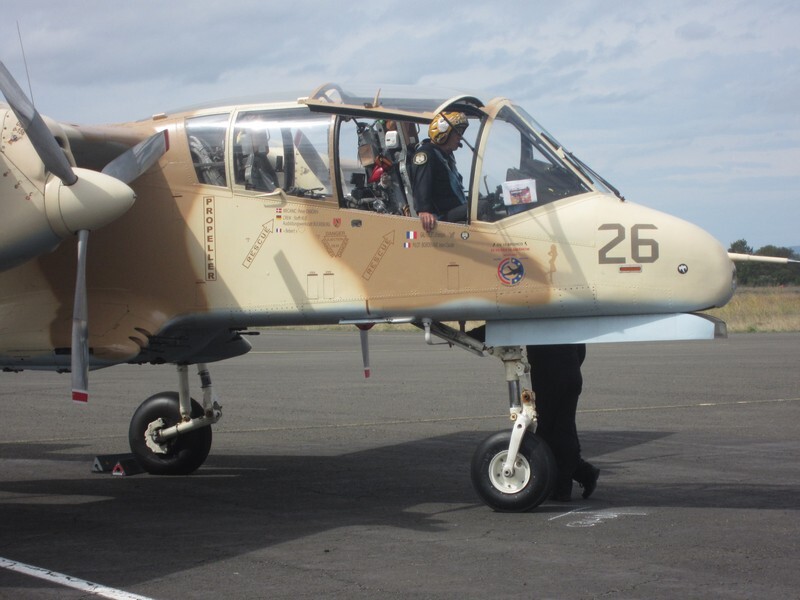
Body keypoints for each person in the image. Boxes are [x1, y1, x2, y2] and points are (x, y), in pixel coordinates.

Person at [526, 343, 600, 502]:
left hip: (553, 375)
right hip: (567, 373)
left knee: (554, 432)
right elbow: (581, 350)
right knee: (558, 429)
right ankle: (581, 474)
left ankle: (563, 486)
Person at [410, 112, 469, 233]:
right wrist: (424, 210)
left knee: (488, 202)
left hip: (456, 208)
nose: (460, 137)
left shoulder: (446, 156)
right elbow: (422, 183)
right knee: (482, 207)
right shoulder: (426, 154)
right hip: (443, 215)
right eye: (457, 132)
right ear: (443, 132)